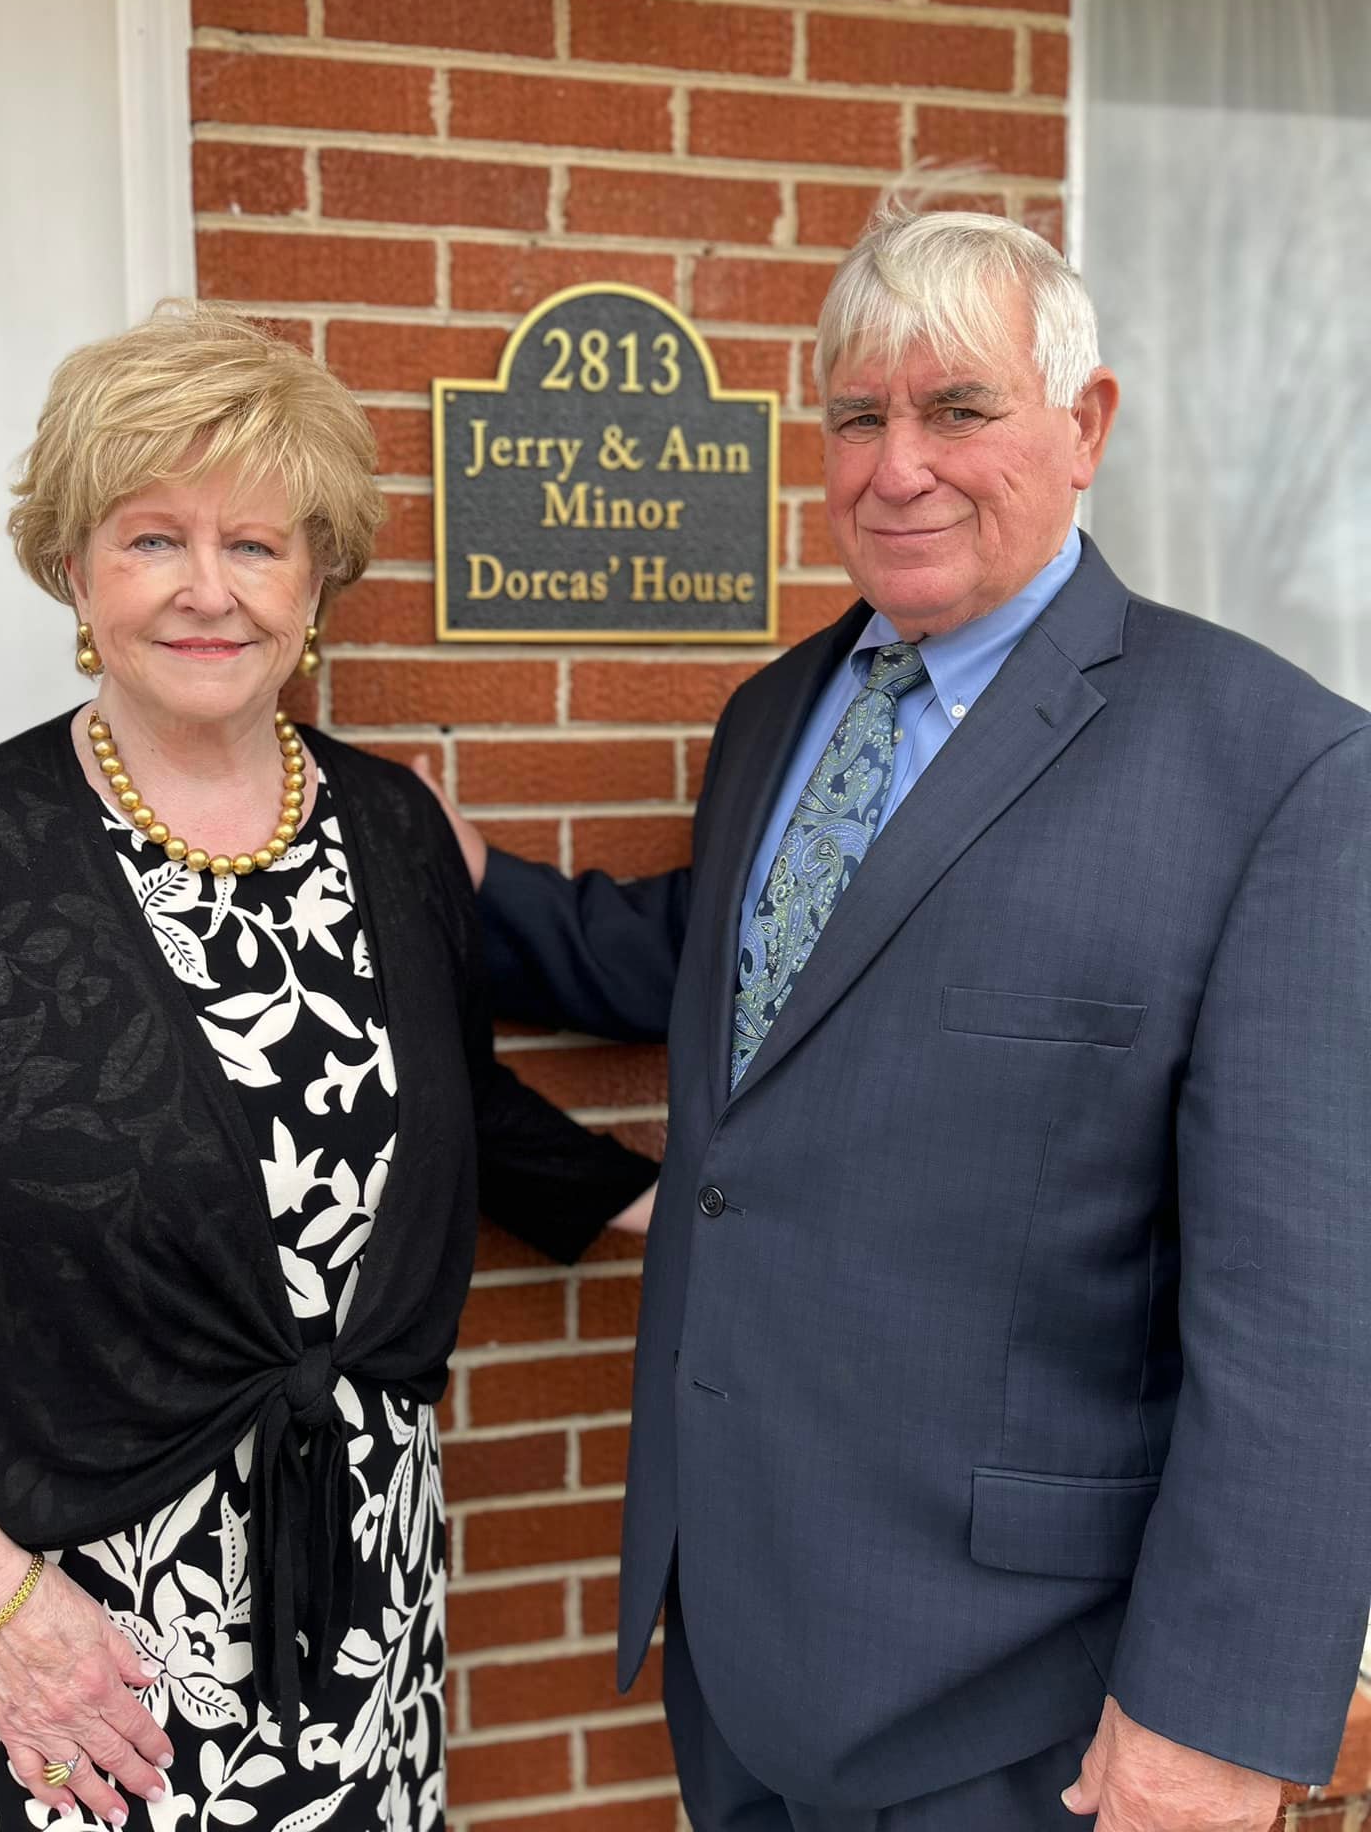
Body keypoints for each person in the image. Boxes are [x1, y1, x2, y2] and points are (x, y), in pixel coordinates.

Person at [415, 204, 1371, 1831]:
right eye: (858, 418)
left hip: (1031, 1701)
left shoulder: (1275, 771)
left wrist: (1213, 1719)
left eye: (958, 410)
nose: (898, 467)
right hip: (744, 1637)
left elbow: (1307, 1308)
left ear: (1086, 427)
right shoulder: (776, 713)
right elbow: (733, 967)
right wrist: (467, 878)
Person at [0, 304, 657, 1832]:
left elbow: (450, 1106)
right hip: (56, 1631)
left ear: (315, 580)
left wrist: (695, 1208)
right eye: (153, 539)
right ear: (73, 567)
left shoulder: (392, 829)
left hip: (357, 1594)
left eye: (256, 545)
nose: (208, 590)